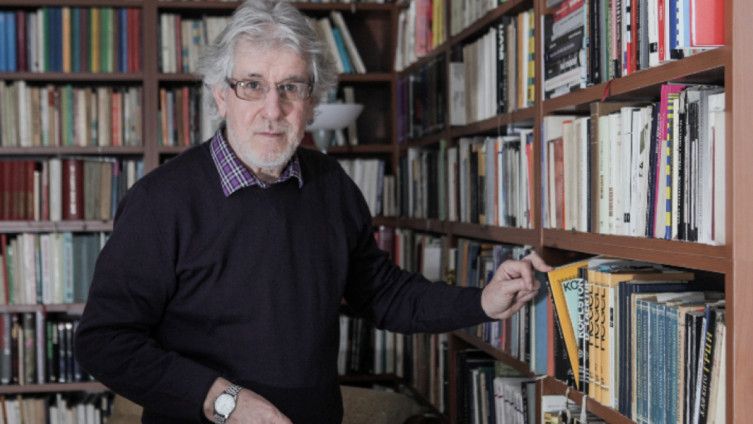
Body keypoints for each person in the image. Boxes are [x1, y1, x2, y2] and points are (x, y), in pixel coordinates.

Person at [73, 0, 552, 423]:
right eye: (252, 85)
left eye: (291, 87)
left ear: (313, 99)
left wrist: (482, 302)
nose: (273, 109)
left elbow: (381, 294)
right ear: (220, 94)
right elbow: (104, 341)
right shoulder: (159, 201)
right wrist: (224, 402)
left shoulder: (331, 186)